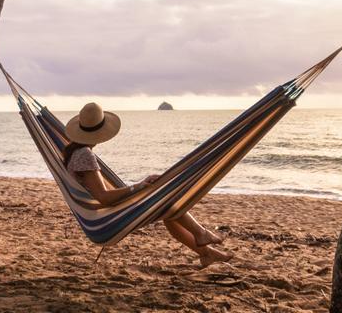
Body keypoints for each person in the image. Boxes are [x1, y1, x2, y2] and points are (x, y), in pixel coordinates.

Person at [63, 102, 234, 268]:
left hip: (94, 216)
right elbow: (104, 197)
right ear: (102, 130)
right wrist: (138, 186)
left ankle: (206, 252)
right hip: (103, 218)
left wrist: (141, 186)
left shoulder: (73, 152)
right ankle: (200, 234)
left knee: (167, 209)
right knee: (166, 201)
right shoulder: (85, 154)